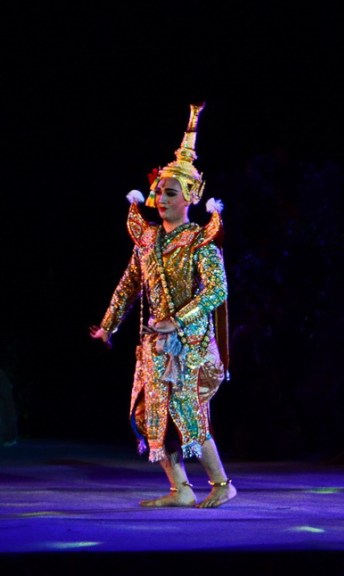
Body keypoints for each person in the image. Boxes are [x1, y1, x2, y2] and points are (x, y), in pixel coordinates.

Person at [90, 103, 237, 508]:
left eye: (170, 192)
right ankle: (181, 489)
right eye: (158, 191)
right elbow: (128, 286)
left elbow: (217, 291)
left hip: (189, 344)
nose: (160, 197)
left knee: (187, 412)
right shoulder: (148, 240)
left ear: (190, 196)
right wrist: (108, 326)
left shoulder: (199, 242)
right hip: (154, 345)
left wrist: (178, 320)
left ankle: (222, 483)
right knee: (147, 415)